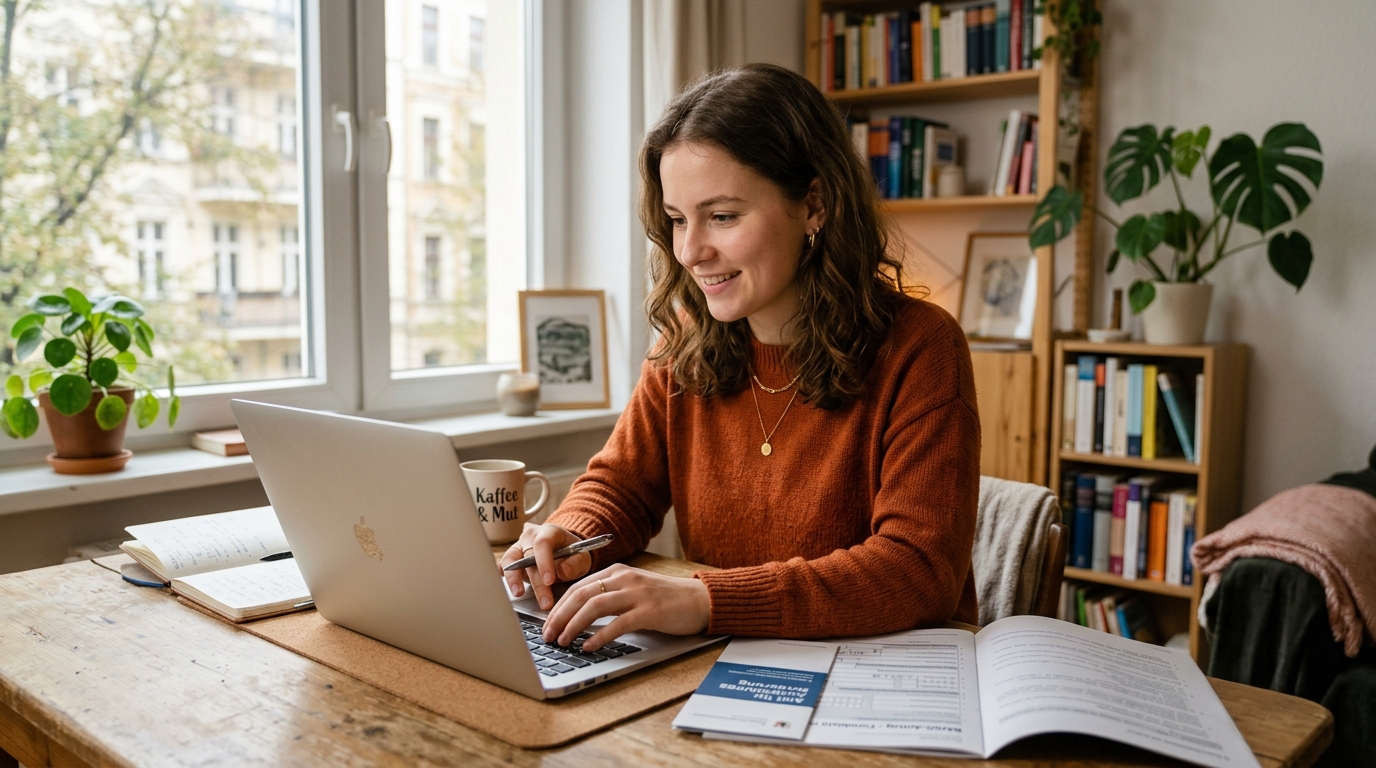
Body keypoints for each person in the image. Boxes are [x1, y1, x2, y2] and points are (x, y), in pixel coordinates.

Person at [500, 63, 980, 652]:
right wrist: (566, 535)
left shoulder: (921, 348)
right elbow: (623, 486)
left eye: (722, 216)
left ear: (814, 205)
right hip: (725, 662)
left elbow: (917, 572)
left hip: (883, 676)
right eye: (677, 220)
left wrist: (706, 599)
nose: (691, 251)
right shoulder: (686, 339)